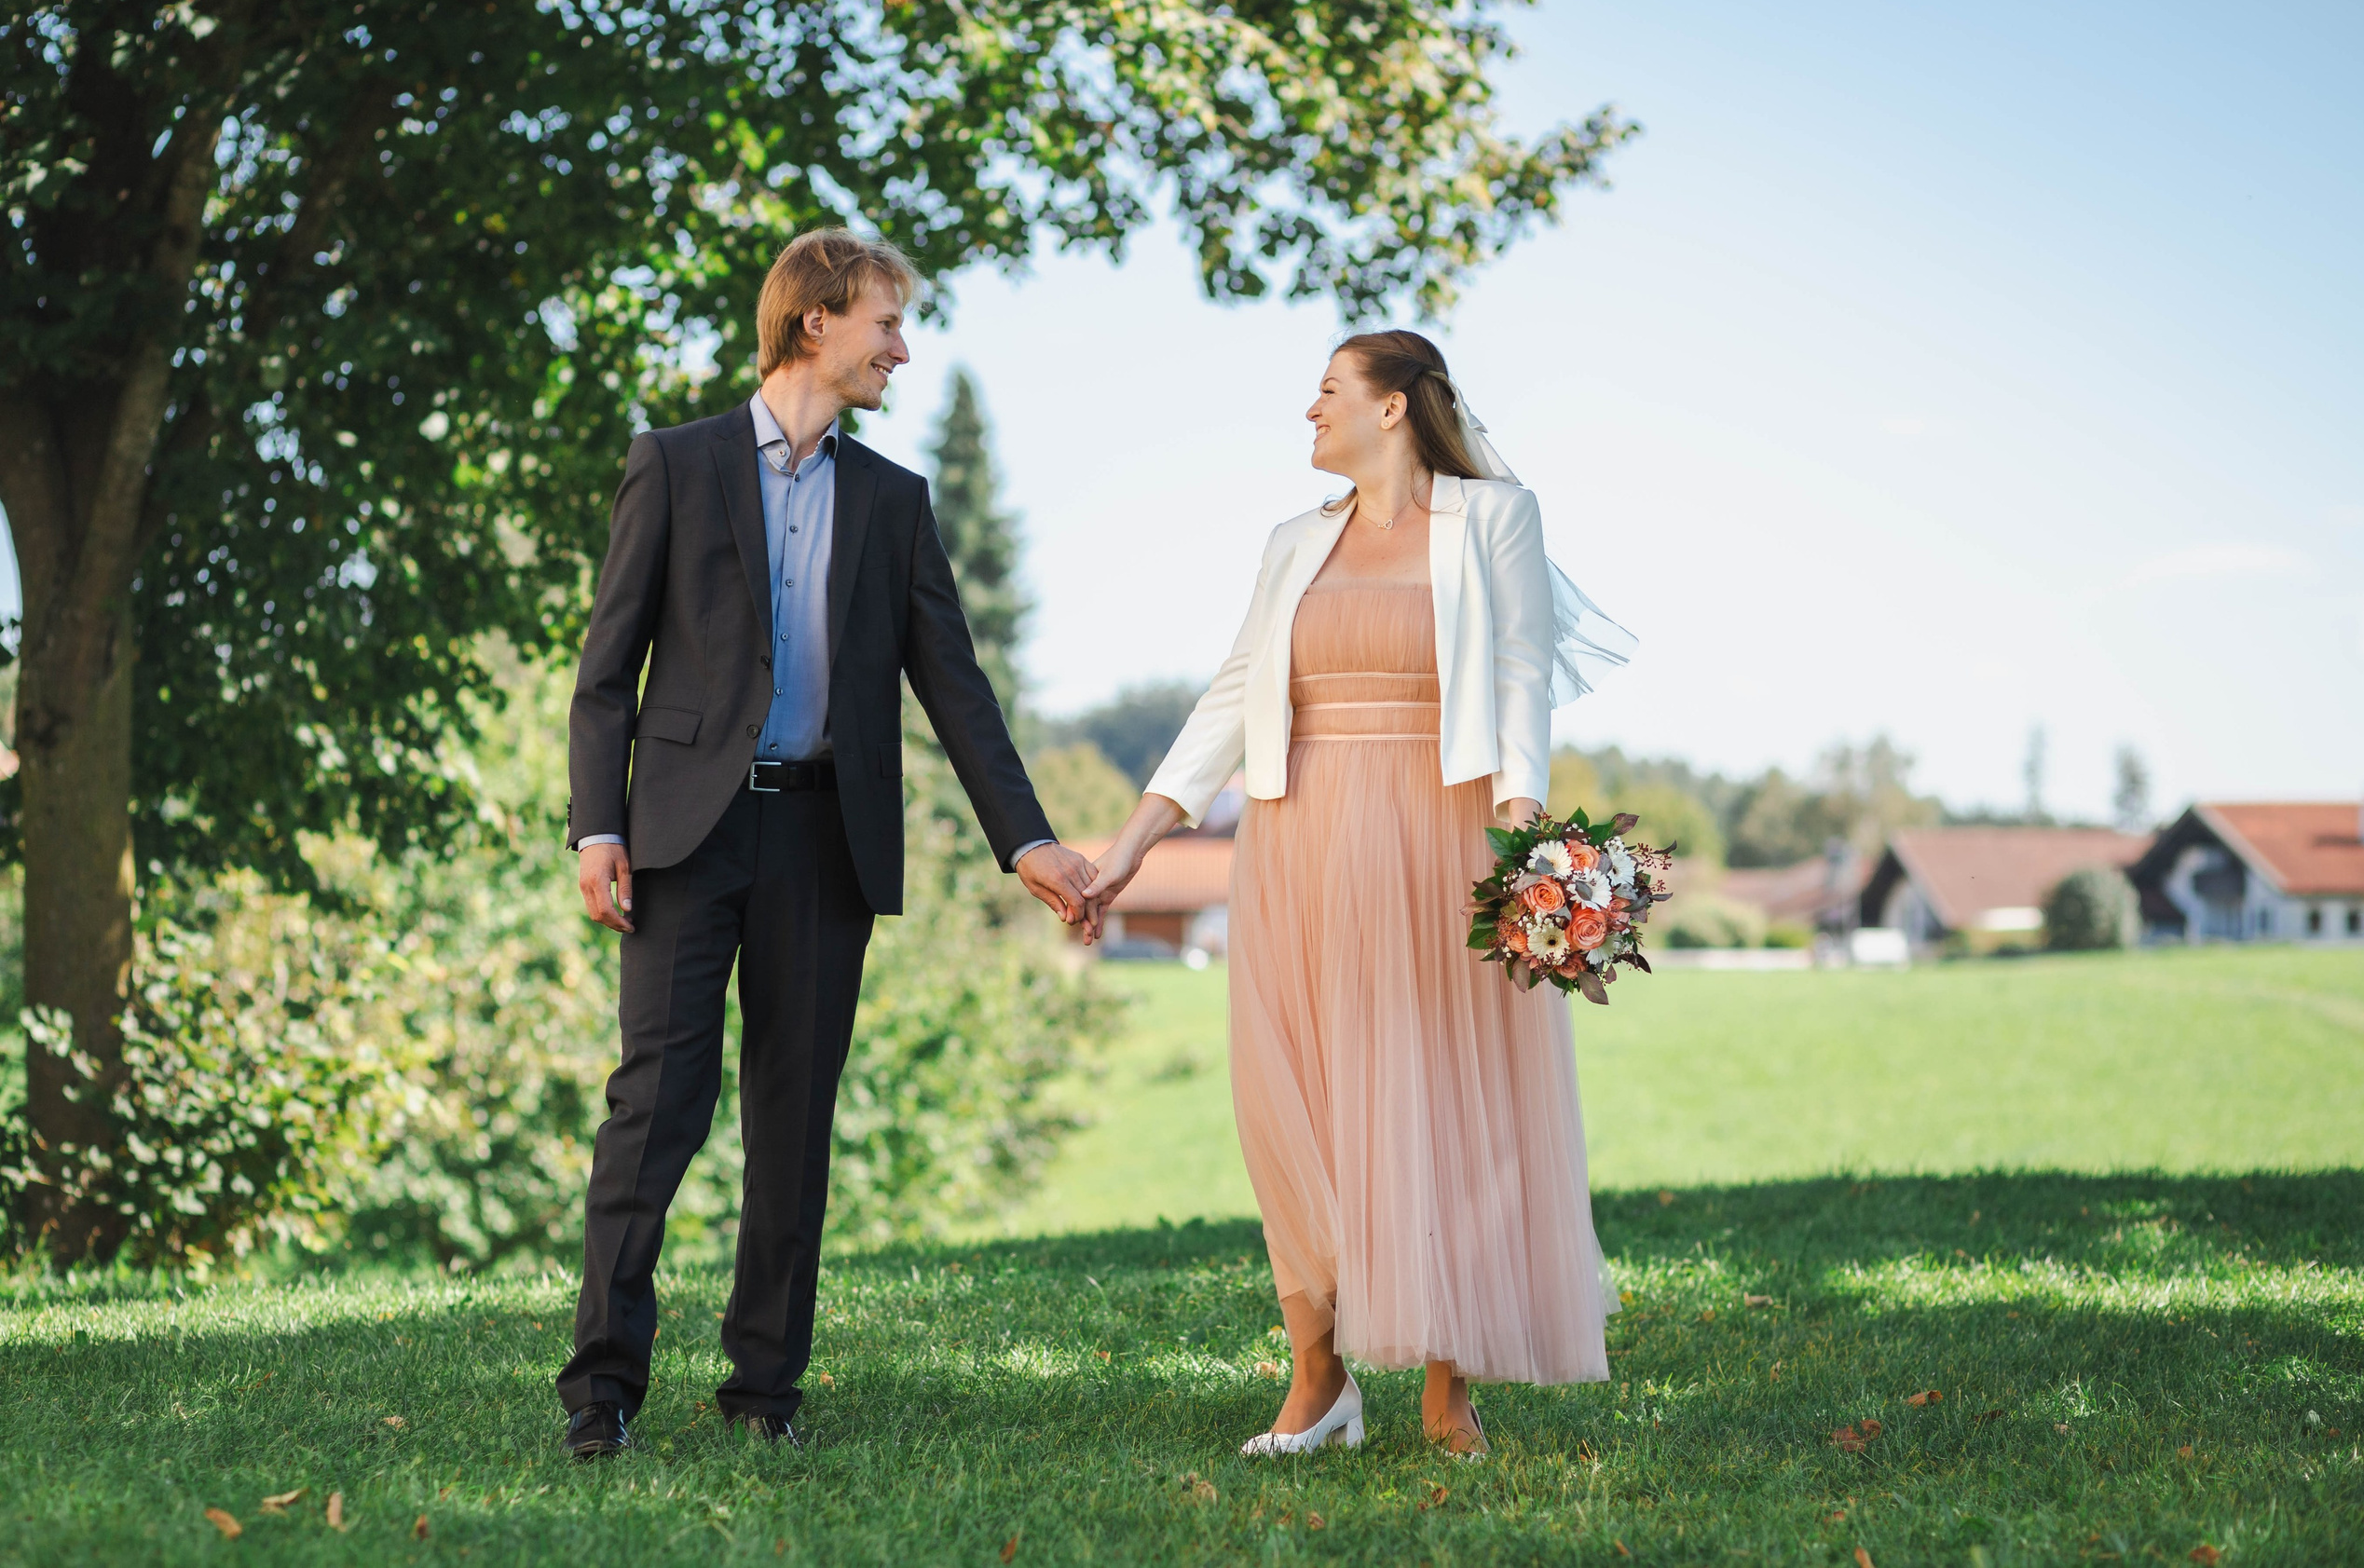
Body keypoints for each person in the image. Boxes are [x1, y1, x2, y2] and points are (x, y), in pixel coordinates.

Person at [556, 228, 1099, 1457]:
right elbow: (606, 673)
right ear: (818, 322)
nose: (901, 352)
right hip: (684, 839)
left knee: (795, 1123)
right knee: (656, 1111)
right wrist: (600, 824)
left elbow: (956, 685)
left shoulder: (894, 501)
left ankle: (764, 1393)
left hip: (823, 842)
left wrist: (1030, 845)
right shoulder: (677, 463)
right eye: (888, 325)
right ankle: (601, 1392)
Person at [1086, 331, 1633, 1458]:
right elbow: (1234, 693)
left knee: (1440, 1099)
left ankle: (1448, 1382)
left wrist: (1524, 852)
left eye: (1329, 390)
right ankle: (1318, 1379)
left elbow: (1521, 674)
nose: (1309, 412)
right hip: (1296, 838)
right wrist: (1136, 840)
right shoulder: (1294, 542)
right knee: (1292, 1101)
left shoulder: (1495, 520)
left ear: (1393, 408)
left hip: (1444, 834)